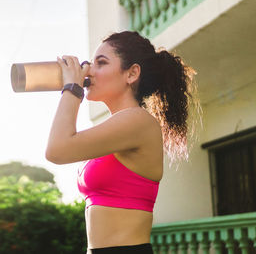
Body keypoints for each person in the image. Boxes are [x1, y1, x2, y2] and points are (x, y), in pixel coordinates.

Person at [45, 31, 201, 254]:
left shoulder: (137, 121)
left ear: (132, 73)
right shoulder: (116, 128)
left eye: (101, 63)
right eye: (91, 63)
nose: (89, 70)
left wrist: (72, 88)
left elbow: (57, 150)